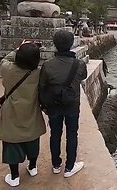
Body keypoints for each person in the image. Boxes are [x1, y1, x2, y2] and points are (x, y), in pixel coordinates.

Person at [0, 42, 46, 187]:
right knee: (32, 138)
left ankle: (15, 176)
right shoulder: (39, 73)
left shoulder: (9, 70)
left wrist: (18, 48)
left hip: (12, 112)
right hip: (31, 110)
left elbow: (5, 60)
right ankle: (33, 167)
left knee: (12, 142)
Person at [39, 30, 88, 178]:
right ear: (71, 44)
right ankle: (70, 167)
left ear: (55, 44)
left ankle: (56, 164)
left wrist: (44, 105)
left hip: (53, 106)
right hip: (72, 105)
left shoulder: (47, 65)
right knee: (72, 134)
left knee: (55, 134)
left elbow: (42, 87)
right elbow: (83, 76)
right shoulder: (78, 64)